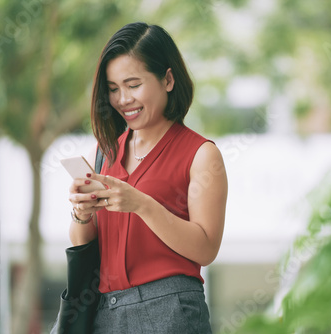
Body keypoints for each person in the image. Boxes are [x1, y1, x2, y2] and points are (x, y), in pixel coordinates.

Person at [68, 22, 227, 333]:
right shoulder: (104, 152)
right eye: (113, 89)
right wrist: (80, 213)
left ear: (168, 79)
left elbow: (206, 249)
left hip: (170, 312)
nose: (122, 99)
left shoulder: (201, 154)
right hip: (106, 313)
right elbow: (82, 245)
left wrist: (142, 204)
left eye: (133, 84)